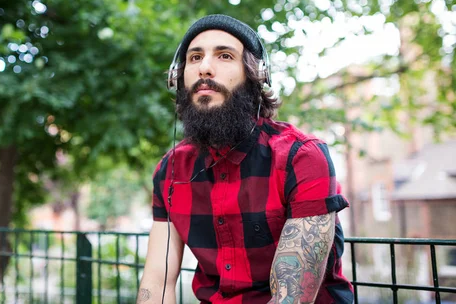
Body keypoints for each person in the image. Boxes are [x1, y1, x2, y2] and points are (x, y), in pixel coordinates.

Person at [136, 15, 353, 303]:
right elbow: (157, 285)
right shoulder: (171, 170)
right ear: (177, 77)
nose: (205, 67)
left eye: (224, 56)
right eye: (195, 57)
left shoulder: (302, 157)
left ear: (256, 74)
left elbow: (291, 299)